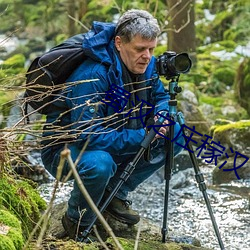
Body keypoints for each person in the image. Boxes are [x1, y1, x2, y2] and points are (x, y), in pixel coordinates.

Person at [41, 9, 185, 241]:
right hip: (67, 150)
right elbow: (88, 136)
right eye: (140, 49)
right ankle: (76, 221)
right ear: (119, 43)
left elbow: (160, 96)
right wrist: (143, 135)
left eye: (152, 49)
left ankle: (115, 193)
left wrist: (161, 115)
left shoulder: (145, 64)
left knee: (176, 132)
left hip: (116, 135)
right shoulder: (93, 75)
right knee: (100, 164)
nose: (147, 56)